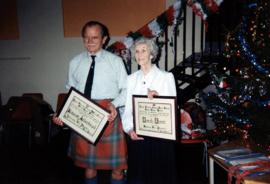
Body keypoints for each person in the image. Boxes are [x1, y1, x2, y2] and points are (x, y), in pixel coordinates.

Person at [52, 21, 128, 184]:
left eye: (95, 38)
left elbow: (126, 90)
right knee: (89, 166)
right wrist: (62, 113)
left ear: (104, 39)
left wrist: (114, 104)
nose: (89, 42)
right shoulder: (75, 62)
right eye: (86, 38)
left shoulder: (115, 61)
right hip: (82, 114)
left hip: (109, 115)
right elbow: (71, 92)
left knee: (117, 167)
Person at [122, 37, 178, 184]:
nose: (139, 55)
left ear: (152, 54)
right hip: (138, 137)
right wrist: (129, 129)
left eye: (143, 51)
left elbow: (173, 110)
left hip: (161, 141)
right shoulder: (130, 79)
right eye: (137, 51)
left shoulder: (166, 77)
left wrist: (158, 100)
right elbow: (127, 109)